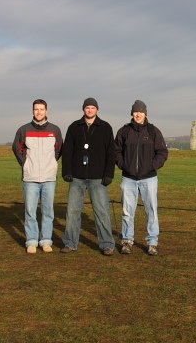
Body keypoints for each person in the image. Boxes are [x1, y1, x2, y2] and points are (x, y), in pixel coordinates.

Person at [61, 98, 116, 256]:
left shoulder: (105, 127)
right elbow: (67, 151)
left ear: (97, 109)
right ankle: (70, 243)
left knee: (102, 211)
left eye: (92, 107)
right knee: (72, 211)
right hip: (77, 177)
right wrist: (67, 171)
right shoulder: (74, 127)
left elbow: (110, 153)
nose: (90, 110)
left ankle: (106, 244)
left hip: (98, 178)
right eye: (87, 108)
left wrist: (108, 174)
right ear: (83, 109)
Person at [114, 100, 168, 256]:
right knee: (127, 211)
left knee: (151, 211)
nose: (138, 114)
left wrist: (152, 166)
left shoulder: (153, 131)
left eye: (141, 112)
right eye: (135, 112)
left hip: (149, 178)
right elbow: (116, 151)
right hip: (128, 178)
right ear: (132, 113)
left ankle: (152, 242)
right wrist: (124, 165)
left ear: (145, 113)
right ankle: (127, 241)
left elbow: (162, 152)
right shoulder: (124, 131)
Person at [12, 99, 63, 254]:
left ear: (47, 111)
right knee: (30, 211)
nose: (39, 112)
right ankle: (32, 241)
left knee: (48, 211)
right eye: (36, 109)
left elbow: (59, 149)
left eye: (41, 109)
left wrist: (51, 163)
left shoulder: (55, 130)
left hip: (49, 178)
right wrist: (25, 163)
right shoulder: (23, 130)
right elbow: (17, 148)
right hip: (30, 178)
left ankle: (46, 240)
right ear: (33, 111)